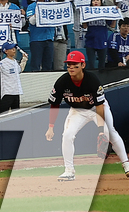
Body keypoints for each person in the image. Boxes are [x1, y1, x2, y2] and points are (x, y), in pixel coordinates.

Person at [46, 51, 129, 181]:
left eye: (75, 64)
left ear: (83, 65)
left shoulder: (92, 80)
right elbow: (54, 104)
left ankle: (126, 165)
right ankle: (69, 171)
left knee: (111, 132)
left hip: (96, 108)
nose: (71, 67)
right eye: (69, 65)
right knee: (67, 135)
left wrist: (101, 131)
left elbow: (99, 105)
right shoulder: (62, 82)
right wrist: (51, 127)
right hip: (77, 111)